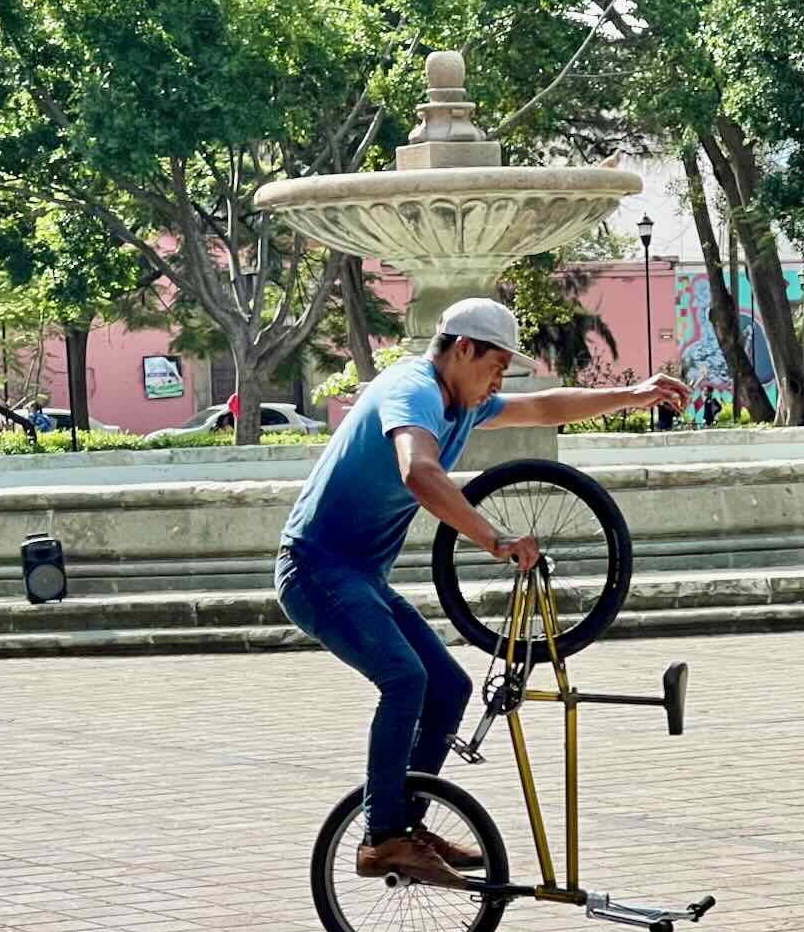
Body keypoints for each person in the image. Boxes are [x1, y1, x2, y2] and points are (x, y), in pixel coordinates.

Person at [275, 297, 689, 887]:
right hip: (315, 570)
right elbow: (418, 472)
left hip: (359, 576)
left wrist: (632, 394)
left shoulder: (461, 402)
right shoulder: (412, 388)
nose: (499, 378)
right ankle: (381, 837)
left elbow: (545, 406)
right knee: (404, 679)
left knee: (450, 685)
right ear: (463, 348)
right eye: (496, 364)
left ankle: (405, 825)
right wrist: (493, 539)